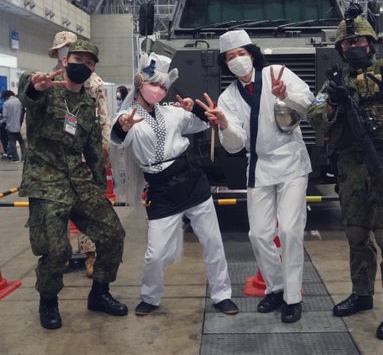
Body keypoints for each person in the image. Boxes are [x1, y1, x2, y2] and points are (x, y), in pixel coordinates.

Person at [307, 12, 383, 340]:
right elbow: (315, 115)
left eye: (357, 41)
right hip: (352, 168)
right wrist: (333, 103)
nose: (353, 46)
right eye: (346, 43)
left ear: (370, 43)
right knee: (356, 234)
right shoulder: (336, 81)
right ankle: (362, 294)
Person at [196, 30, 315, 324]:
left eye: (241, 53)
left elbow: (308, 103)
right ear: (225, 63)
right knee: (259, 233)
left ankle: (292, 298)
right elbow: (235, 145)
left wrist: (285, 95)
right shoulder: (228, 97)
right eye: (230, 57)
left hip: (291, 162)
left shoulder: (276, 74)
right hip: (259, 166)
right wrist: (224, 124)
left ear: (252, 53)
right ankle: (275, 288)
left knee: (289, 230)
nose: (237, 60)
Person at [111, 52, 238, 317]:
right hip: (161, 189)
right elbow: (117, 138)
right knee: (155, 253)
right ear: (139, 83)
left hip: (192, 181)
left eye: (163, 86)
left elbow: (202, 124)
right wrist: (124, 126)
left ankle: (222, 294)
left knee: (213, 242)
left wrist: (195, 108)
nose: (158, 90)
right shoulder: (126, 116)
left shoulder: (172, 112)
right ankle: (150, 296)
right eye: (153, 84)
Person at [18, 39, 127, 330]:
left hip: (79, 179)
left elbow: (92, 149)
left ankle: (100, 293)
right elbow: (28, 94)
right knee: (57, 250)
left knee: (113, 233)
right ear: (65, 60)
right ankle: (48, 301)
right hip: (46, 181)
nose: (84, 66)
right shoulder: (44, 88)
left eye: (90, 63)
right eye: (79, 59)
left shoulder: (87, 104)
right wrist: (35, 88)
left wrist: (99, 188)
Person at [48, 30, 112, 277]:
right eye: (61, 50)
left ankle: (90, 254)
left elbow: (103, 115)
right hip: (55, 157)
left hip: (83, 154)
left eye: (69, 48)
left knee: (87, 206)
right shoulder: (49, 79)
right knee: (57, 210)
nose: (65, 53)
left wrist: (105, 145)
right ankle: (60, 254)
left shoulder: (93, 82)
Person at [0, 90, 26, 162]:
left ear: (6, 97)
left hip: (10, 126)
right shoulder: (20, 101)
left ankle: (16, 159)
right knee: (22, 143)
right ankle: (24, 158)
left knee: (12, 143)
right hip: (21, 126)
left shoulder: (6, 103)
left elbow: (5, 117)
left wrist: (0, 122)